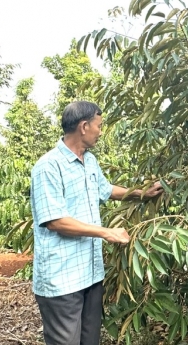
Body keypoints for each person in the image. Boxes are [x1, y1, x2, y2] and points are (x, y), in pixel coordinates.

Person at [30, 101, 163, 345]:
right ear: (84, 126)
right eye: (99, 126)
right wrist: (106, 232)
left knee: (89, 341)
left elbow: (105, 189)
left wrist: (142, 193)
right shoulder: (48, 166)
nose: (100, 132)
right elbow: (55, 221)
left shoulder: (89, 161)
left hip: (90, 274)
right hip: (62, 279)